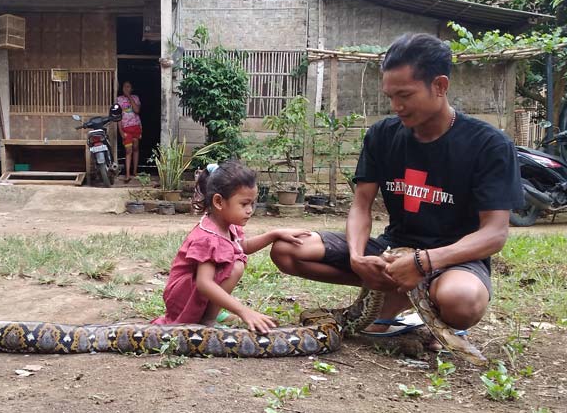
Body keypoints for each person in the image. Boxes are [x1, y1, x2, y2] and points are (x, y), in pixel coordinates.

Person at [270, 33, 523, 341]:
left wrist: (423, 262)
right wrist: (357, 257)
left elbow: (494, 233)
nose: (396, 106)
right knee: (287, 251)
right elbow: (361, 205)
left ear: (440, 86)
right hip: (391, 251)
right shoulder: (382, 135)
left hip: (452, 259)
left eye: (404, 95)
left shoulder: (489, 144)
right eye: (390, 96)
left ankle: (410, 303)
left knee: (462, 301)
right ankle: (394, 296)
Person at [151, 161, 311, 332]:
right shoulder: (208, 238)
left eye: (252, 204)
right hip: (182, 298)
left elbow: (243, 246)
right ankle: (207, 320)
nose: (250, 210)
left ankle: (210, 313)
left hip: (195, 291)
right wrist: (244, 311)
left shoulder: (228, 225)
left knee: (236, 263)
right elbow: (204, 283)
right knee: (235, 265)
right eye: (244, 204)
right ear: (219, 202)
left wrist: (274, 234)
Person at [116, 81, 143, 183]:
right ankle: (127, 174)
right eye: (125, 86)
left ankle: (135, 172)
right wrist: (120, 131)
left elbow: (136, 110)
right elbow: (118, 117)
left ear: (132, 89)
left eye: (128, 87)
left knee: (136, 148)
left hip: (136, 127)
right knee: (128, 151)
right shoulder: (119, 100)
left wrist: (129, 97)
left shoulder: (135, 98)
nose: (126, 88)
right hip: (126, 128)